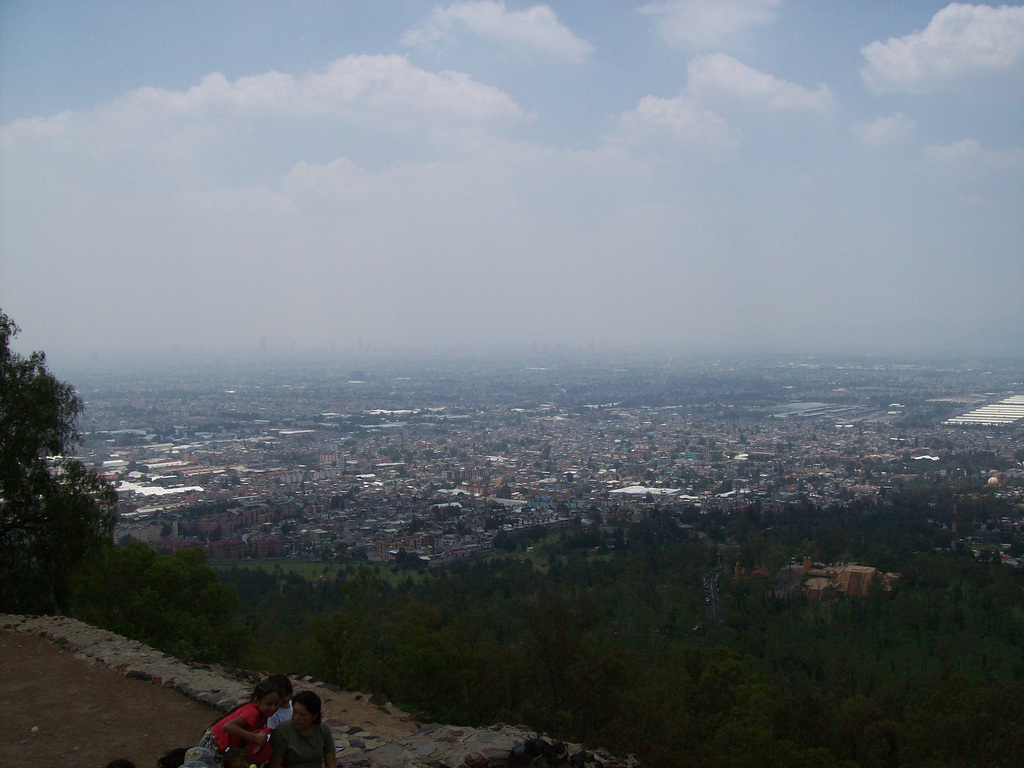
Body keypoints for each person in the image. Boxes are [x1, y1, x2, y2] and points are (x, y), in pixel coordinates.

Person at [198, 680, 280, 764]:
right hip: (213, 743)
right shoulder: (253, 713)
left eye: (277, 704)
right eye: (269, 704)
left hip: (222, 747)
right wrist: (254, 737)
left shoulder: (263, 715)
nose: (273, 708)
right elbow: (227, 726)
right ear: (256, 701)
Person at [268, 691, 336, 768]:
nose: (296, 718)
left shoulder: (323, 731)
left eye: (302, 715)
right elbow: (275, 765)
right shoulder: (281, 732)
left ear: (314, 716)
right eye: (294, 712)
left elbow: (330, 762)